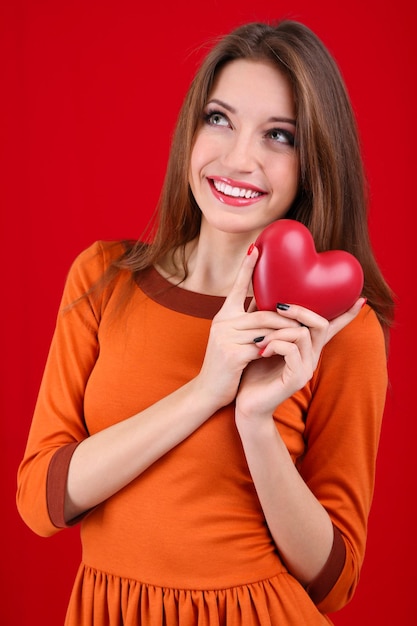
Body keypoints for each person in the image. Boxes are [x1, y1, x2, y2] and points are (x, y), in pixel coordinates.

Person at [17, 19, 394, 626]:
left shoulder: (337, 330)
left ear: (314, 161)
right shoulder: (101, 278)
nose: (238, 158)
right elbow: (41, 502)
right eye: (219, 119)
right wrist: (206, 390)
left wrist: (255, 421)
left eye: (279, 135)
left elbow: (334, 580)